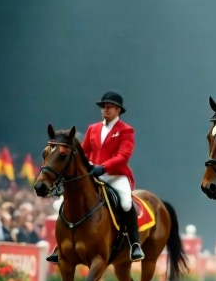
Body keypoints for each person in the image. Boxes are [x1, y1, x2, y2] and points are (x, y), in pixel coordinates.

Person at [46, 91, 144, 263]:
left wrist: (103, 167)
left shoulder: (126, 130)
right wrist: (86, 166)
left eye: (109, 107)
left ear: (118, 110)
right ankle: (60, 244)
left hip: (115, 175)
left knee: (126, 203)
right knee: (70, 200)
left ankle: (134, 244)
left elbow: (123, 156)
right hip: (93, 173)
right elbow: (83, 153)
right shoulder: (93, 128)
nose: (105, 110)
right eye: (104, 108)